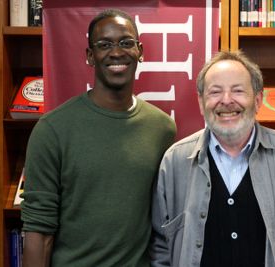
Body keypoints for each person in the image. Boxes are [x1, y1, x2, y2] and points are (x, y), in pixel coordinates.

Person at [150, 51, 275, 267]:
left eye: (238, 91)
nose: (226, 101)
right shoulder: (174, 163)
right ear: (201, 102)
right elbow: (161, 250)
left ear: (257, 100)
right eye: (215, 92)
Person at [21, 9, 176, 267]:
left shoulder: (162, 129)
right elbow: (38, 230)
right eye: (104, 45)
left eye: (126, 43)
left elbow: (167, 221)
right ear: (90, 56)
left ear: (140, 51)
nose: (116, 52)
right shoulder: (52, 129)